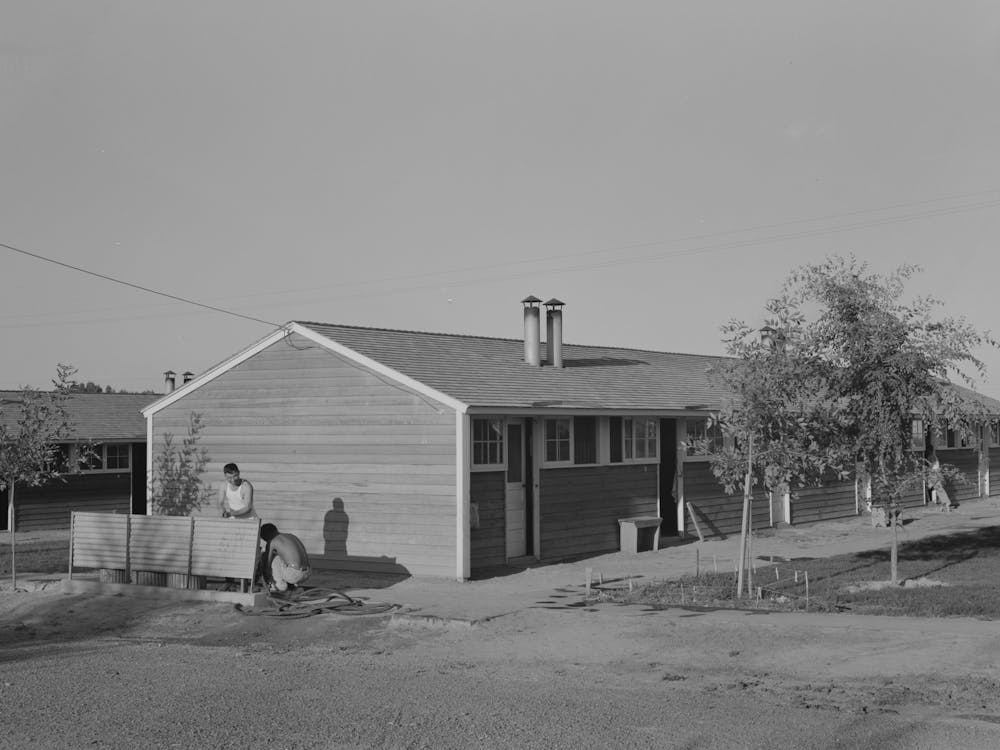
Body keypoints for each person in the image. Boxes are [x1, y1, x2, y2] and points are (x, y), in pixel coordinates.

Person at [260, 523, 311, 592]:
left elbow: (267, 565)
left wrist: (266, 578)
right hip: (307, 572)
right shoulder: (291, 536)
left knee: (272, 557)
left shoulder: (272, 541)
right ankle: (293, 587)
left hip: (294, 575)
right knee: (283, 556)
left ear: (266, 535)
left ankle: (279, 586)